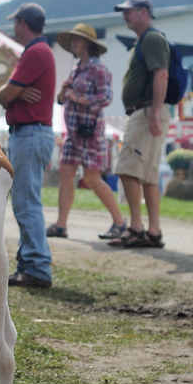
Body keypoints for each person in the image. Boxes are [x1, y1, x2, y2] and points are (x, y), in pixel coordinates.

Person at [0, 2, 56, 288]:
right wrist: (13, 93)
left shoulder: (35, 52)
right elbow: (7, 94)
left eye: (15, 22)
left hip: (29, 133)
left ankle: (37, 265)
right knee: (27, 201)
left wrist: (12, 93)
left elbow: (3, 95)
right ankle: (31, 262)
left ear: (21, 22)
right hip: (33, 133)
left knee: (26, 203)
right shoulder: (41, 50)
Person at [49, 23, 125, 240]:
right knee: (66, 173)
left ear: (88, 44)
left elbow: (106, 97)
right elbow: (62, 100)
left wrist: (80, 98)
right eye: (73, 39)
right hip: (73, 133)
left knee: (92, 178)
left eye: (78, 39)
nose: (74, 43)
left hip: (90, 132)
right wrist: (64, 91)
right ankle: (61, 225)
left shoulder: (98, 68)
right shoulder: (76, 69)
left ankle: (120, 222)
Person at [108, 0, 170, 249]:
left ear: (144, 12)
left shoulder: (152, 39)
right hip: (148, 111)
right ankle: (153, 231)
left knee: (126, 167)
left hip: (147, 112)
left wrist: (154, 113)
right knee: (149, 174)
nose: (125, 15)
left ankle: (136, 227)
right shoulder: (147, 39)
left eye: (129, 11)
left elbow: (161, 74)